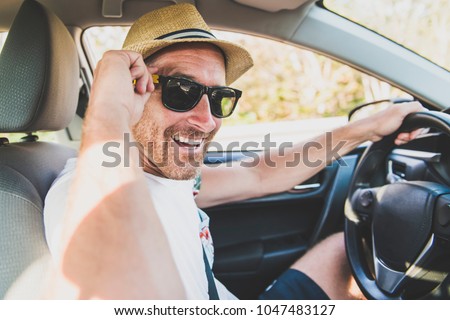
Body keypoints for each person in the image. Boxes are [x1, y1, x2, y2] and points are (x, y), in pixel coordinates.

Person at [43, 3, 424, 299]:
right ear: (130, 91)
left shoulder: (164, 173)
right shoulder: (80, 193)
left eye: (220, 97)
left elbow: (258, 174)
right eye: (182, 91)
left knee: (347, 248)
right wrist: (109, 109)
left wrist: (370, 127)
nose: (207, 121)